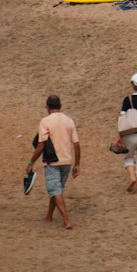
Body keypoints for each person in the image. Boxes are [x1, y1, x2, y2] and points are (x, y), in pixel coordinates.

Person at [27, 94, 80, 230]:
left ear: (47, 107)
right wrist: (77, 164)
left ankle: (66, 221)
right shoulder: (69, 121)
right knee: (57, 190)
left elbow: (40, 146)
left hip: (52, 162)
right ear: (60, 106)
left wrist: (31, 162)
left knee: (55, 190)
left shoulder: (45, 121)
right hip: (67, 161)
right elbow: (76, 144)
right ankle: (49, 216)